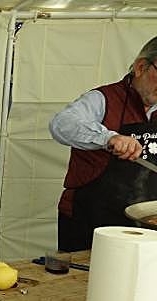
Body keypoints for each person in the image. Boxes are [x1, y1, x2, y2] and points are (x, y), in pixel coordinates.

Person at [49, 36, 157, 252]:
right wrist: (108, 138)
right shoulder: (102, 98)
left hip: (144, 222)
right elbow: (61, 124)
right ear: (141, 67)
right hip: (90, 219)